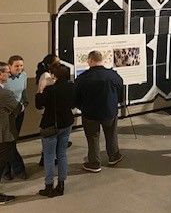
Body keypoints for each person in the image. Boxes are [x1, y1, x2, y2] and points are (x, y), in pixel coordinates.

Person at [74, 50, 125, 173]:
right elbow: (120, 91)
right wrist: (116, 103)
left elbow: (76, 97)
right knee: (111, 134)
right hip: (109, 112)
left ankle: (94, 163)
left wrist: (81, 107)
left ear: (90, 60)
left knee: (92, 138)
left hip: (90, 114)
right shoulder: (113, 75)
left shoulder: (82, 78)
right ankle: (114, 156)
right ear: (101, 60)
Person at [35, 64, 74, 197]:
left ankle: (49, 186)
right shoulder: (71, 87)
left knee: (49, 156)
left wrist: (40, 90)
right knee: (62, 154)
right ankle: (61, 185)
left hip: (50, 125)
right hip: (67, 123)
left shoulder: (50, 89)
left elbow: (39, 105)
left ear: (53, 75)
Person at [2, 55, 28, 180]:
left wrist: (24, 104)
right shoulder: (4, 78)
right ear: (9, 66)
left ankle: (7, 170)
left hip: (19, 112)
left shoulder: (23, 75)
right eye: (16, 66)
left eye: (21, 65)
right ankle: (17, 169)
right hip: (7, 114)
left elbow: (24, 92)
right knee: (9, 143)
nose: (19, 68)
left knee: (12, 141)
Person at [0, 61, 22, 204]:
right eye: (7, 72)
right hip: (3, 134)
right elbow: (18, 108)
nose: (9, 74)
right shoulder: (5, 93)